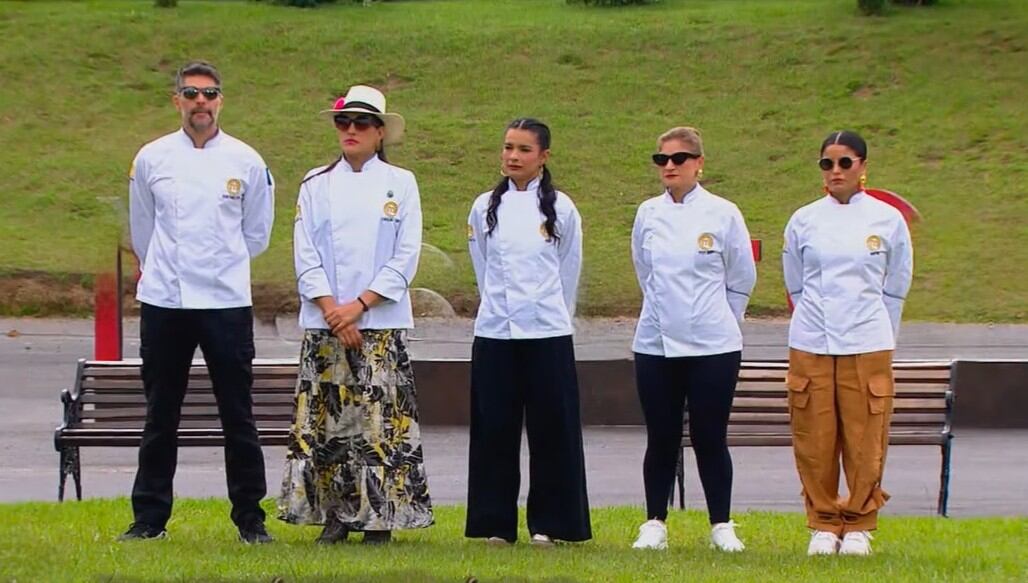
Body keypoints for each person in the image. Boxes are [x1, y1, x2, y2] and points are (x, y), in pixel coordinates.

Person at [123, 61, 275, 543]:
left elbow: (256, 234)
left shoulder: (247, 161)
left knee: (238, 412)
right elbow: (143, 230)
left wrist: (218, 264)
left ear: (220, 101)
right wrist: (166, 268)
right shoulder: (151, 158)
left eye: (209, 94)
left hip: (225, 300)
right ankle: (149, 519)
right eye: (191, 94)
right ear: (178, 101)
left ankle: (250, 517)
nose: (200, 102)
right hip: (165, 299)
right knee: (160, 412)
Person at [277, 85, 433, 544]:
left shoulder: (402, 182)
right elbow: (305, 252)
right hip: (326, 321)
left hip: (378, 321)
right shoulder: (315, 183)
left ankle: (380, 515)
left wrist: (360, 305)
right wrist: (332, 310)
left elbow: (405, 255)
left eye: (361, 123)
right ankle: (335, 514)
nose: (351, 130)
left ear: (380, 132)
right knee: (331, 422)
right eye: (343, 122)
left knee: (379, 421)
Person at [783, 130, 913, 556]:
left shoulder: (887, 220)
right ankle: (823, 521)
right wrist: (815, 320)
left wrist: (880, 334)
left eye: (844, 163)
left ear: (862, 167)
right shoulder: (804, 219)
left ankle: (858, 523)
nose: (835, 171)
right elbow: (796, 284)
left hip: (867, 340)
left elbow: (896, 286)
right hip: (812, 340)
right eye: (827, 164)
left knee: (864, 435)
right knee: (815, 436)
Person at [464, 118, 590, 546]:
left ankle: (552, 524)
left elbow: (568, 269)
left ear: (543, 157)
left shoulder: (561, 209)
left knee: (553, 431)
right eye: (508, 147)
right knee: (493, 429)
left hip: (547, 333)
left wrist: (554, 315)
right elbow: (482, 267)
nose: (513, 157)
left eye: (523, 149)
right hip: (496, 332)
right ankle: (494, 523)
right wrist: (497, 308)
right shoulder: (484, 207)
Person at [629, 127, 756, 552]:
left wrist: (719, 320)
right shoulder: (647, 213)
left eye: (679, 159)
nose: (669, 166)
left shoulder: (723, 213)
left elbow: (741, 277)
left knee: (709, 436)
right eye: (661, 159)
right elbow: (644, 270)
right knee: (660, 436)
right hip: (656, 342)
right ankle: (654, 522)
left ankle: (721, 523)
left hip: (713, 345)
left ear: (699, 163)